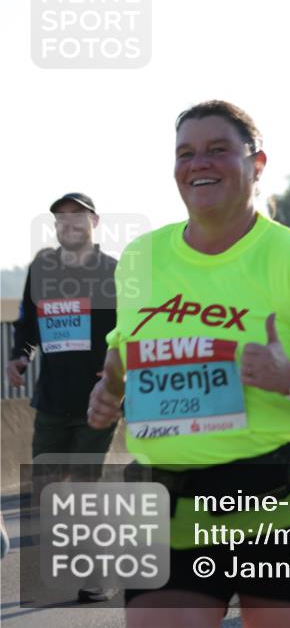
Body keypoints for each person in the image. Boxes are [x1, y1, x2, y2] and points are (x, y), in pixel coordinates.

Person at [88, 101, 290, 626]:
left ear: (258, 164)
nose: (199, 162)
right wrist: (110, 385)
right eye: (186, 153)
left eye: (217, 150)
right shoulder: (141, 257)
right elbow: (123, 344)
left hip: (287, 502)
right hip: (171, 508)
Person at [6, 192, 118, 602]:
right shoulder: (43, 267)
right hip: (52, 399)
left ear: (95, 222)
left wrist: (113, 371)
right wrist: (20, 357)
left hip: (98, 400)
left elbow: (130, 329)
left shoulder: (111, 272)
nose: (68, 224)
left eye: (77, 217)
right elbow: (27, 324)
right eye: (60, 219)